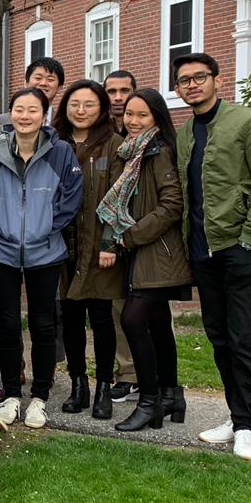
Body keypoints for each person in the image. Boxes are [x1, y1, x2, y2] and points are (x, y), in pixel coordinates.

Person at [174, 52, 251, 461]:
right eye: (184, 80)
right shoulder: (186, 132)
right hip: (204, 251)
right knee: (219, 336)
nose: (192, 85)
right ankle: (236, 414)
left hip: (241, 249)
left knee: (244, 337)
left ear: (217, 80)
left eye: (199, 77)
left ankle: (248, 427)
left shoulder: (248, 121)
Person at [0, 86, 83, 429]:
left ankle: (41, 398)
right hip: (0, 250)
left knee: (44, 325)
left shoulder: (61, 152)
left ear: (44, 115)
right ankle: (14, 393)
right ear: (10, 113)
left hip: (46, 252)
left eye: (33, 110)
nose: (25, 116)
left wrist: (45, 228)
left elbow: (72, 198)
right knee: (6, 324)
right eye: (19, 109)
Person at [97, 88, 193, 433]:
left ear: (157, 118)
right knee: (158, 324)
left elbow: (172, 206)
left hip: (157, 251)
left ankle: (149, 401)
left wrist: (131, 235)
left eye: (142, 115)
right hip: (139, 251)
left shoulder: (158, 152)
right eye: (129, 115)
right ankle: (171, 395)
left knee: (134, 320)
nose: (133, 121)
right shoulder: (130, 152)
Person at [53, 80, 125, 419]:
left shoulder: (113, 146)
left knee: (101, 320)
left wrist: (111, 242)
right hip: (61, 246)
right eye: (74, 104)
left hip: (99, 248)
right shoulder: (54, 144)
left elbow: (121, 199)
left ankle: (103, 389)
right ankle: (78, 384)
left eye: (89, 104)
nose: (81, 110)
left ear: (101, 109)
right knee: (69, 320)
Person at [100, 67, 142, 399]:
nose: (117, 97)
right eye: (111, 91)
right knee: (117, 307)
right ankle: (126, 372)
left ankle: (153, 374)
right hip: (113, 234)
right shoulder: (105, 136)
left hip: (145, 234)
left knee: (148, 305)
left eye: (123, 91)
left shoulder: (148, 137)